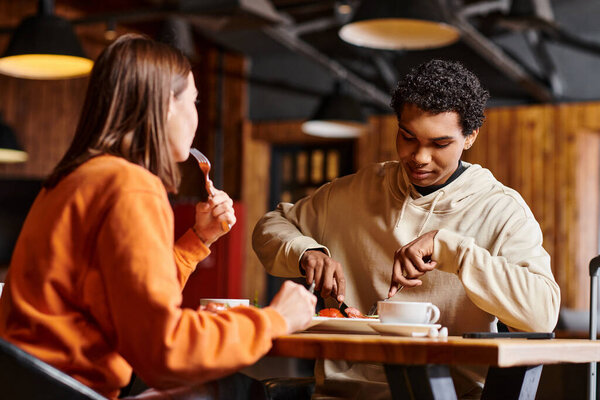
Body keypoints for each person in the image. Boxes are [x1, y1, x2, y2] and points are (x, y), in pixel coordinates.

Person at [0, 34, 316, 400]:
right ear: (167, 104)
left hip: (34, 387)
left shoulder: (73, 179)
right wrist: (276, 319)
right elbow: (166, 352)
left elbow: (129, 305)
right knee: (255, 391)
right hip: (75, 391)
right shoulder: (130, 185)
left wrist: (196, 242)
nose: (196, 114)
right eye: (194, 100)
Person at [253, 59, 560, 399]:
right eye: (408, 137)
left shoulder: (500, 209)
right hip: (342, 395)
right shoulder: (354, 192)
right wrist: (305, 252)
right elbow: (271, 225)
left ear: (470, 137)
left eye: (440, 144)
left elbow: (542, 315)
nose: (420, 157)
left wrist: (453, 250)